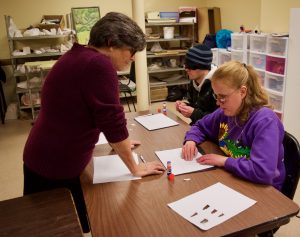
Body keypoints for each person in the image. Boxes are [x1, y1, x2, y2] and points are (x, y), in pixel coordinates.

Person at [22, 12, 165, 233]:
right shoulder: (98, 65)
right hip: (54, 164)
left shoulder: (78, 56)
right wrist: (135, 166)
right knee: (56, 229)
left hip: (44, 155)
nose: (133, 57)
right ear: (110, 44)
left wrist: (120, 144)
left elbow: (87, 112)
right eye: (131, 50)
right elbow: (113, 121)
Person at [182, 61, 285, 191]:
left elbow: (262, 171)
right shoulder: (225, 112)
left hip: (264, 190)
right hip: (235, 177)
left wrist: (223, 161)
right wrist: (191, 140)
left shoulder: (265, 121)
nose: (218, 103)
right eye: (216, 96)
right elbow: (200, 126)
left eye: (223, 97)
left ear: (242, 92)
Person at [175, 44, 218, 125]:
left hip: (212, 132)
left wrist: (194, 114)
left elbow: (219, 119)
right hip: (198, 126)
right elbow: (197, 106)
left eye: (190, 66)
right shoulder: (194, 81)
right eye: (185, 64)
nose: (186, 69)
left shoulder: (217, 85)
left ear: (202, 66)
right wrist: (185, 106)